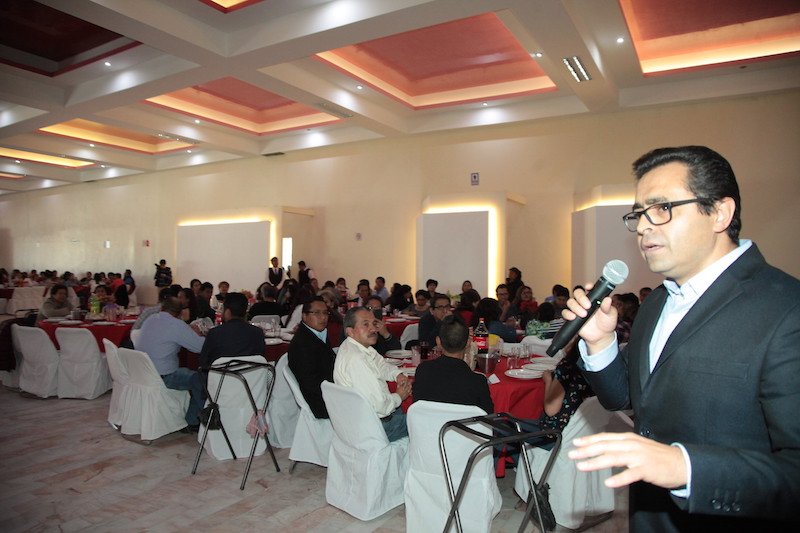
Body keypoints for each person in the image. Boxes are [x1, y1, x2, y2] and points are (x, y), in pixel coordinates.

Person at [565, 146, 800, 530]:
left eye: (662, 208)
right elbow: (626, 400)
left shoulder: (786, 309)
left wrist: (685, 467)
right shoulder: (657, 302)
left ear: (720, 213)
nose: (644, 226)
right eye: (639, 214)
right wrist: (600, 342)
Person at [333, 307, 412, 442]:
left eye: (374, 323)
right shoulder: (356, 359)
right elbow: (380, 406)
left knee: (413, 411)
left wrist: (397, 374)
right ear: (350, 331)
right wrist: (399, 396)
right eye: (366, 324)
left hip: (368, 419)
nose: (373, 329)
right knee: (426, 421)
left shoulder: (356, 346)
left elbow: (381, 365)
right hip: (375, 428)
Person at [137, 295, 205, 429]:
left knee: (192, 375)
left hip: (141, 373)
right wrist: (198, 333)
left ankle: (192, 419)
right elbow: (199, 347)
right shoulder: (176, 324)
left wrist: (186, 329)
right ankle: (193, 421)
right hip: (163, 377)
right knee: (201, 380)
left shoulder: (150, 319)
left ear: (162, 308)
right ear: (180, 313)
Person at [412, 315, 493, 414]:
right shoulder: (477, 381)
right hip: (464, 424)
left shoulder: (423, 370)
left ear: (438, 342)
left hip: (426, 424)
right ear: (468, 343)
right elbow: (488, 415)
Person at [287, 297, 337, 418]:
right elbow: (311, 383)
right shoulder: (302, 343)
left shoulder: (318, 334)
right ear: (304, 316)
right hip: (321, 403)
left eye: (325, 313)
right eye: (317, 313)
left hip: (329, 393)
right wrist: (339, 392)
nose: (323, 317)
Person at [199, 293, 264, 368]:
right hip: (250, 375)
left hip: (220, 374)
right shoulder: (258, 333)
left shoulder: (214, 333)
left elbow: (203, 362)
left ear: (228, 312)